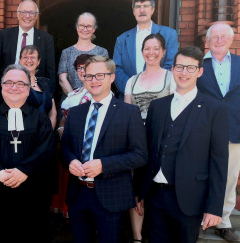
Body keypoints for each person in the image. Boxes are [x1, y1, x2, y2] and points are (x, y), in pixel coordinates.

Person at [135, 46, 229, 243]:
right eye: (179, 67)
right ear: (172, 69)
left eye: (190, 68)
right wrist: (140, 191)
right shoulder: (157, 106)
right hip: (154, 195)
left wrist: (214, 207)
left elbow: (219, 161)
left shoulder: (215, 110)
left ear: (200, 71)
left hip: (189, 199)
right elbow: (148, 152)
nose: (183, 73)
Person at [61, 55, 147, 243]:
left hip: (111, 195)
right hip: (78, 194)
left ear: (112, 77)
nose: (94, 80)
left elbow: (140, 155)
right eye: (89, 76)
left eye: (100, 75)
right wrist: (71, 161)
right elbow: (65, 146)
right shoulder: (75, 112)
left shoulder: (129, 113)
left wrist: (104, 165)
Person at [0, 65, 55, 243]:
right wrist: (0, 173)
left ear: (28, 88)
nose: (14, 87)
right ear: (1, 86)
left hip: (31, 192)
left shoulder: (40, 119)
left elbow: (46, 148)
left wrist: (24, 171)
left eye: (20, 83)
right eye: (8, 82)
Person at [197, 22, 240, 241]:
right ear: (207, 41)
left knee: (229, 177)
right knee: (201, 175)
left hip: (234, 128)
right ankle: (200, 221)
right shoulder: (198, 64)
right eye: (215, 37)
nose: (219, 40)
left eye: (224, 36)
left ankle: (224, 221)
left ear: (231, 39)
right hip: (203, 130)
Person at [124, 33, 175, 242]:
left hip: (161, 143)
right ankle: (137, 237)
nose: (151, 52)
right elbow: (127, 115)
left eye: (156, 48)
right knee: (136, 190)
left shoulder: (171, 78)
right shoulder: (132, 80)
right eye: (147, 48)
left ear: (163, 52)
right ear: (142, 52)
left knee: (155, 190)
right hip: (137, 143)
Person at [0, 0, 56, 107]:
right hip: (9, 92)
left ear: (36, 16)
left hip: (36, 95)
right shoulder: (5, 35)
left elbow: (50, 71)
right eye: (24, 12)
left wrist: (50, 97)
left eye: (31, 13)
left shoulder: (46, 39)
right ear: (18, 14)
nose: (27, 16)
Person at [113, 0, 178, 96]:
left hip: (160, 96)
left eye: (146, 6)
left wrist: (155, 88)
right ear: (133, 11)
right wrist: (132, 89)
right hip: (129, 98)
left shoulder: (169, 34)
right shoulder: (122, 39)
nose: (141, 10)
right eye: (138, 7)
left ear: (152, 10)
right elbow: (117, 69)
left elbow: (171, 64)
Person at [53, 54, 93, 217]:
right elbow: (63, 120)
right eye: (79, 68)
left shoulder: (98, 94)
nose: (82, 71)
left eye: (86, 67)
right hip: (70, 144)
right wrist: (62, 133)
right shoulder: (73, 95)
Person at [58, 12, 108, 95]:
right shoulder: (66, 52)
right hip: (71, 102)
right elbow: (62, 79)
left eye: (89, 26)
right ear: (77, 27)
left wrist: (90, 98)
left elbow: (104, 79)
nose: (85, 29)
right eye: (81, 25)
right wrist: (75, 99)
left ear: (94, 28)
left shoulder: (102, 52)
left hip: (94, 100)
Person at [19, 45, 57, 128]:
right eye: (25, 57)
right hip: (25, 134)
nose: (29, 60)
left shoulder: (46, 83)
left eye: (33, 57)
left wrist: (48, 133)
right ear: (20, 61)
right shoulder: (15, 84)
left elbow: (53, 113)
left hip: (47, 134)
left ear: (38, 61)